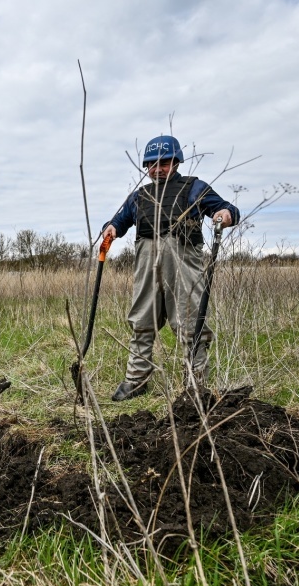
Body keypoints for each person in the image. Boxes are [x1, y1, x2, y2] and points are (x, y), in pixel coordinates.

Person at [101, 134, 239, 400]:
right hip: (145, 262)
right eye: (152, 164)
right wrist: (112, 228)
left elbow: (224, 208)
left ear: (176, 162)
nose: (157, 169)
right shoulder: (139, 196)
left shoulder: (194, 188)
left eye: (164, 163)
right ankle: (136, 380)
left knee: (190, 322)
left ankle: (195, 385)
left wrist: (225, 215)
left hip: (183, 263)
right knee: (142, 320)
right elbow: (120, 221)